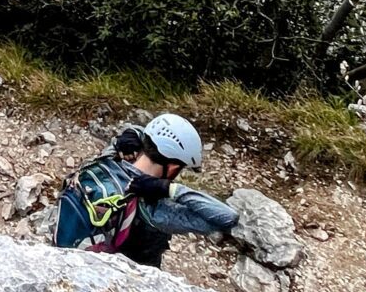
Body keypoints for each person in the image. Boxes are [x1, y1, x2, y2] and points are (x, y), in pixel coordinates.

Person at [55, 111, 239, 267]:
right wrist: (171, 189)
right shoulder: (152, 209)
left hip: (62, 256)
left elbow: (144, 134)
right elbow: (226, 217)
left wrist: (133, 132)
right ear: (173, 167)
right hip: (128, 280)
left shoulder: (109, 158)